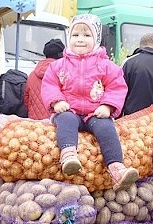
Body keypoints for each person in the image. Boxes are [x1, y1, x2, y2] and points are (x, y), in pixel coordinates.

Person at [41, 14, 139, 191]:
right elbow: (50, 84)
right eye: (75, 35)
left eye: (86, 35)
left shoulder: (106, 66)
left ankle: (117, 168)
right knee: (66, 120)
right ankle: (69, 155)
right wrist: (57, 102)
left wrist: (107, 106)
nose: (80, 39)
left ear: (96, 40)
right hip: (69, 110)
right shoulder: (58, 65)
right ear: (68, 38)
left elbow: (117, 86)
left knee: (106, 128)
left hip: (95, 114)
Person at [24, 39, 65, 120]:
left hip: (35, 125)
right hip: (57, 121)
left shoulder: (32, 75)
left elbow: (26, 100)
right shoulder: (64, 74)